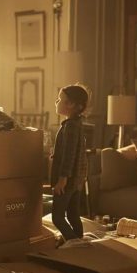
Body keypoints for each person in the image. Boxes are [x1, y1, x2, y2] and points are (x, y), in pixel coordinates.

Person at [51, 84, 90, 248]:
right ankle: (77, 240)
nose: (56, 102)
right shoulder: (76, 124)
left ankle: (74, 242)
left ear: (71, 105)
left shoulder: (71, 127)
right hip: (77, 180)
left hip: (67, 180)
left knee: (57, 217)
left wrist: (62, 179)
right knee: (73, 215)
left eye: (61, 99)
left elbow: (69, 155)